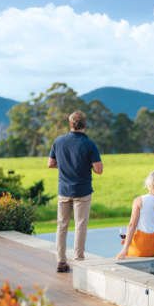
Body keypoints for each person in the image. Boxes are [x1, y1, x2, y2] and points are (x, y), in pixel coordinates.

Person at [47, 110, 103, 272]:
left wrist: (65, 165)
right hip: (82, 192)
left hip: (63, 191)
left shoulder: (58, 141)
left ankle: (61, 261)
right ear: (85, 125)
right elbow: (98, 170)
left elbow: (50, 164)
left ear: (70, 125)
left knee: (62, 226)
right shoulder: (90, 145)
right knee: (80, 227)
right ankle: (79, 261)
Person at [117, 171, 154, 260]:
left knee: (122, 255)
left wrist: (125, 248)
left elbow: (132, 226)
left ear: (147, 184)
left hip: (142, 245)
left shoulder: (139, 200)